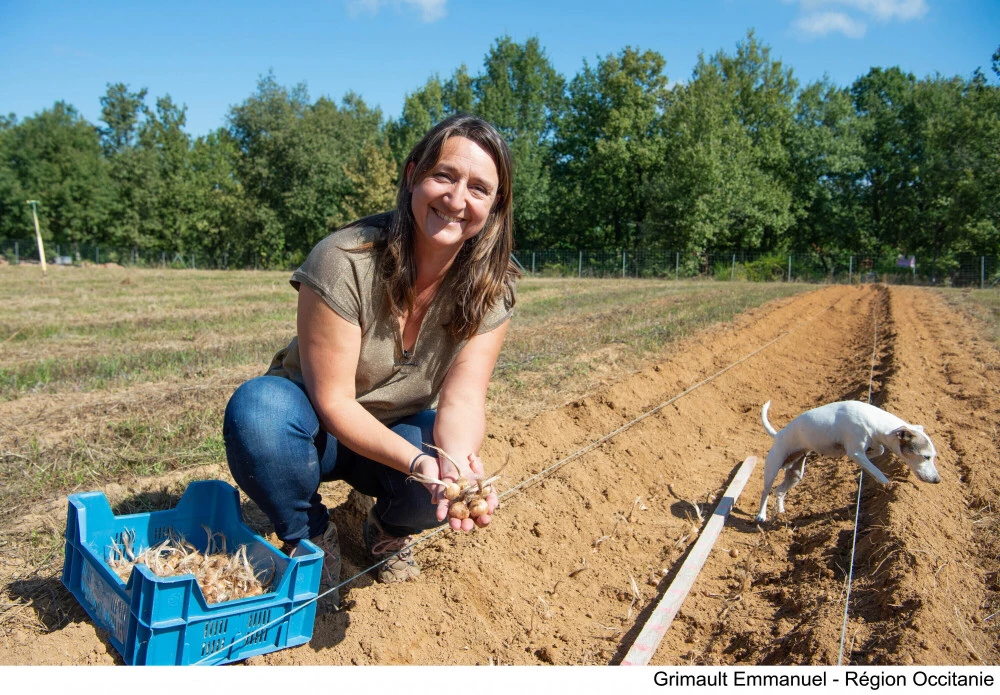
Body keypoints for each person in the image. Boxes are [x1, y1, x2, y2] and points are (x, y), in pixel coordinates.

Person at [223, 115, 517, 601]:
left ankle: (386, 528)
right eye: (444, 176)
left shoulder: (491, 289)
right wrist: (418, 463)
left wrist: (454, 470)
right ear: (412, 175)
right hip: (313, 428)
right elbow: (335, 402)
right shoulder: (344, 260)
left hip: (392, 431)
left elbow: (464, 399)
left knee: (442, 464)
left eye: (479, 189)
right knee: (259, 413)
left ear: (495, 205)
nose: (457, 199)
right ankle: (311, 535)